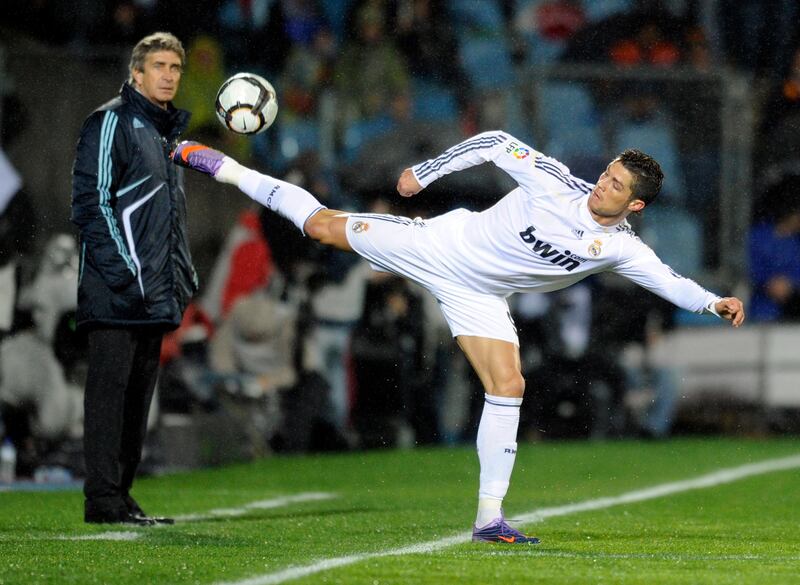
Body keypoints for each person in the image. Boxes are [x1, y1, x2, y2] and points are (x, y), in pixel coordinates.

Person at [171, 130, 745, 544]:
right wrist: (428, 171)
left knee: (509, 383)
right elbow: (496, 141)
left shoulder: (622, 248)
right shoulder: (552, 182)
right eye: (606, 173)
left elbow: (667, 280)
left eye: (616, 185)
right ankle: (220, 165)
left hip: (480, 297)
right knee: (321, 226)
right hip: (440, 247)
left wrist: (712, 302)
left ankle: (489, 519)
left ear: (635, 204)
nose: (601, 185)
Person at [71, 32, 197, 525]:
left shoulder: (166, 136)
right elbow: (91, 202)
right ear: (136, 73)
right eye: (160, 66)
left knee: (138, 400)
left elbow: (170, 216)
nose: (169, 75)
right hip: (116, 290)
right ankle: (102, 499)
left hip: (154, 292)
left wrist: (181, 275)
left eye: (176, 68)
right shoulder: (110, 122)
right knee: (109, 397)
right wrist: (126, 272)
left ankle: (121, 497)